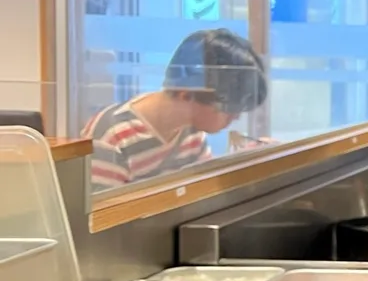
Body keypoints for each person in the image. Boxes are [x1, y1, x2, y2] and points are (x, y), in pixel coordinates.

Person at [85, 27, 267, 191]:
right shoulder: (113, 138)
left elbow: (201, 195)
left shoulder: (191, 130)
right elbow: (99, 221)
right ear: (187, 93)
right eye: (229, 107)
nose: (235, 117)